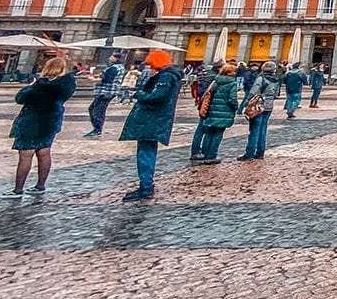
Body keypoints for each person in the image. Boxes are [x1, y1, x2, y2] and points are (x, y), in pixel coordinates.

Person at [3, 56, 76, 199]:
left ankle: (18, 190)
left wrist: (33, 85)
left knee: (26, 155)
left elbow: (20, 98)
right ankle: (40, 185)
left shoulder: (41, 86)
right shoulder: (66, 85)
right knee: (44, 152)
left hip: (32, 123)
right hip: (51, 123)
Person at [117, 50, 183, 200]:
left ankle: (146, 186)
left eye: (151, 63)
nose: (150, 66)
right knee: (147, 151)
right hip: (155, 119)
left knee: (145, 153)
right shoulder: (169, 75)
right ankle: (146, 184)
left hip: (152, 119)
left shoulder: (166, 76)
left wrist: (138, 94)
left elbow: (158, 96)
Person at [195, 63, 239, 164]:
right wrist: (235, 107)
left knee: (209, 133)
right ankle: (211, 156)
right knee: (218, 134)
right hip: (224, 112)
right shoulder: (232, 83)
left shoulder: (216, 81)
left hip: (211, 110)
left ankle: (205, 154)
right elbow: (232, 99)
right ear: (230, 73)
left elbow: (208, 94)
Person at [240, 61, 281, 160]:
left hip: (258, 106)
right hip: (268, 107)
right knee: (263, 129)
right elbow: (276, 94)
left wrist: (246, 102)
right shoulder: (276, 80)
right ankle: (260, 152)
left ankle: (249, 153)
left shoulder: (261, 78)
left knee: (254, 130)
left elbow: (253, 91)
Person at [83, 52, 124, 138]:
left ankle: (97, 130)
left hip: (105, 92)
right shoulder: (119, 67)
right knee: (94, 109)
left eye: (111, 56)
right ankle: (97, 129)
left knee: (97, 111)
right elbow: (107, 76)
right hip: (109, 92)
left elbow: (107, 80)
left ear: (116, 58)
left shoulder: (113, 68)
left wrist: (93, 79)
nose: (109, 58)